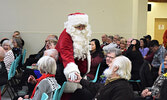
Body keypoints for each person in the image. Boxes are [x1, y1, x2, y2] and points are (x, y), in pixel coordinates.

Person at [55, 12, 92, 94]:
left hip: (80, 71)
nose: (82, 29)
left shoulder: (83, 34)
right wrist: (71, 70)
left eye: (83, 26)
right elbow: (66, 53)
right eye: (79, 26)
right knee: (69, 93)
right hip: (65, 69)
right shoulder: (66, 34)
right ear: (72, 26)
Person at [69, 56, 134, 100]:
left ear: (116, 68)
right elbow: (97, 87)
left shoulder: (123, 88)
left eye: (112, 63)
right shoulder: (113, 82)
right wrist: (81, 80)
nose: (109, 65)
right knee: (80, 92)